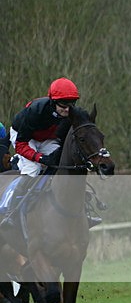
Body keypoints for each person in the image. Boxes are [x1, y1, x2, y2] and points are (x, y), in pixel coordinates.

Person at [0, 78, 80, 227]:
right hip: (24, 137)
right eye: (63, 104)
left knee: (61, 164)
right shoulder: (35, 111)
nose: (67, 109)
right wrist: (40, 157)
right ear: (53, 101)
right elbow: (21, 145)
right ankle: (11, 212)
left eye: (71, 103)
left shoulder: (71, 114)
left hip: (47, 138)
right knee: (33, 169)